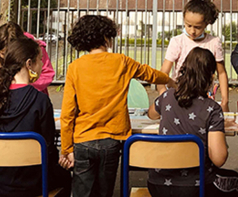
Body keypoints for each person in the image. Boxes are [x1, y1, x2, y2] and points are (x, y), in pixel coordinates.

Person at [60, 14, 175, 197]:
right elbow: (150, 74)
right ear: (106, 38)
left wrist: (67, 149)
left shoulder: (75, 67)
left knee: (82, 192)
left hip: (83, 139)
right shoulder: (122, 61)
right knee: (105, 191)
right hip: (112, 139)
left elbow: (68, 113)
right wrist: (171, 81)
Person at [0, 36, 70, 197]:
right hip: (32, 184)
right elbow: (48, 148)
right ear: (29, 64)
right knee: (67, 177)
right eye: (40, 60)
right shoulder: (40, 100)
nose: (42, 66)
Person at [148, 48, 238, 197]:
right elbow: (218, 159)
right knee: (234, 179)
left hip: (157, 183)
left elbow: (151, 114)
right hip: (195, 186)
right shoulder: (212, 109)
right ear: (211, 77)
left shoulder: (167, 97)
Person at [158, 0, 230, 111]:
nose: (192, 31)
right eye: (188, 25)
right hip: (180, 98)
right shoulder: (177, 42)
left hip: (204, 99)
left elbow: (221, 73)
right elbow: (163, 74)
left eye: (197, 27)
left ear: (206, 23)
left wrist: (225, 100)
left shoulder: (214, 42)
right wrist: (163, 94)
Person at [0, 22, 55, 97]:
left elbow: (47, 73)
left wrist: (24, 89)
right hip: (2, 101)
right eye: (3, 54)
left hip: (32, 98)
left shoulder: (36, 50)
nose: (7, 58)